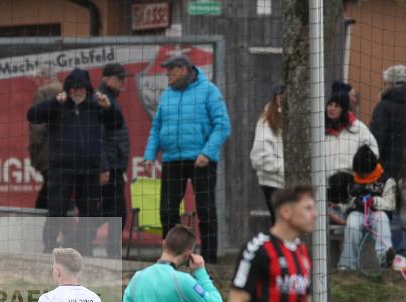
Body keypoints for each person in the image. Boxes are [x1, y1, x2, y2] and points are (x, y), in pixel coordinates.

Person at [142, 54, 231, 264]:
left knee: (206, 210)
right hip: (172, 159)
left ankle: (209, 259)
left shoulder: (209, 90)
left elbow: (223, 125)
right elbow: (156, 128)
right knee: (167, 210)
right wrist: (149, 156)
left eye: (170, 70)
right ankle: (170, 257)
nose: (167, 74)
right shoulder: (167, 95)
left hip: (201, 161)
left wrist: (207, 153)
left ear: (183, 70)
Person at [26, 67, 121, 256]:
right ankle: (50, 246)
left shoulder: (96, 106)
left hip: (89, 170)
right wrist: (53, 102)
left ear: (87, 89)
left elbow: (117, 123)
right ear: (68, 89)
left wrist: (109, 107)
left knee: (89, 211)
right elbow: (32, 115)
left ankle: (85, 248)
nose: (78, 92)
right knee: (57, 208)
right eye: (74, 88)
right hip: (62, 169)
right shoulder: (58, 105)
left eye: (82, 88)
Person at [369, 64, 406, 268]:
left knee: (391, 212)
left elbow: (376, 141)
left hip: (389, 171)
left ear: (390, 83)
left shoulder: (383, 107)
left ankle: (398, 259)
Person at [337, 145, 396, 271]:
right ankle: (347, 265)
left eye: (363, 174)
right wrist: (352, 199)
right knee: (352, 223)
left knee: (382, 220)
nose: (360, 176)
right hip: (358, 213)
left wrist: (373, 201)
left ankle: (385, 258)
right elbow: (343, 206)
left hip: (377, 213)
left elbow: (391, 203)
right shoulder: (352, 179)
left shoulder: (387, 179)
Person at [324, 87, 378, 204]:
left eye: (336, 106)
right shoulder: (320, 129)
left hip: (349, 187)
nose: (331, 108)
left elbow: (373, 152)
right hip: (323, 188)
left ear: (343, 109)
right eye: (330, 104)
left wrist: (360, 172)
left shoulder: (358, 128)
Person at [98, 63, 131, 225]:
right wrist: (103, 167)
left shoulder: (110, 99)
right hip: (108, 169)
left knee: (114, 213)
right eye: (120, 79)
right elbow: (98, 138)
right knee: (109, 213)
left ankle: (112, 250)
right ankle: (78, 242)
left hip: (114, 166)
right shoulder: (102, 101)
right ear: (107, 79)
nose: (123, 84)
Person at [28, 65, 63, 210]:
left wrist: (34, 150)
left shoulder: (43, 92)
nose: (36, 81)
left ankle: (38, 221)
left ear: (43, 77)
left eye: (37, 78)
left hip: (48, 153)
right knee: (57, 189)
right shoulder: (65, 90)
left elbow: (37, 126)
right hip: (66, 153)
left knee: (50, 191)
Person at [250, 84, 285, 224]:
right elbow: (259, 158)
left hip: (290, 181)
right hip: (273, 182)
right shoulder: (266, 122)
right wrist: (285, 169)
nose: (282, 98)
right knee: (280, 224)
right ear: (275, 98)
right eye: (280, 95)